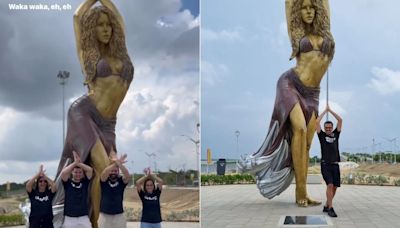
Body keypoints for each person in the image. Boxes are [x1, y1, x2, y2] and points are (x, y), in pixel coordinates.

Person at [238, 0, 334, 207]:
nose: (308, 11)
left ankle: (303, 191)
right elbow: (289, 3)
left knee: (305, 145)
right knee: (298, 129)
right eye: (304, 8)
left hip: (313, 95)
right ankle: (300, 193)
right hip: (290, 84)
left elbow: (325, 4)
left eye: (312, 7)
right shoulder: (297, 35)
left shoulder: (327, 35)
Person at [54, 0, 134, 226]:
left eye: (108, 24)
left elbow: (120, 20)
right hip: (83, 113)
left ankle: (94, 219)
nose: (106, 28)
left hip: (109, 123)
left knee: (111, 172)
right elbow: (77, 17)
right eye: (99, 25)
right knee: (103, 168)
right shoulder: (88, 54)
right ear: (93, 29)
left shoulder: (122, 51)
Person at [316, 105, 342, 217]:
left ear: (332, 128)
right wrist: (324, 111)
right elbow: (317, 122)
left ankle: (327, 205)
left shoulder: (336, 134)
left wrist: (330, 111)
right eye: (326, 128)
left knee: (335, 187)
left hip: (335, 165)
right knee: (330, 185)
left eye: (329, 128)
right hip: (325, 165)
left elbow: (340, 120)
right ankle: (330, 208)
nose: (327, 129)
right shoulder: (321, 135)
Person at [60, 151, 93, 227]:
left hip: (83, 217)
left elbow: (90, 170)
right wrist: (75, 163)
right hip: (69, 218)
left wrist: (79, 164)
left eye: (80, 172)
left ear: (82, 173)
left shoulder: (85, 182)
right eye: (76, 172)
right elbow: (63, 173)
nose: (78, 174)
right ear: (72, 173)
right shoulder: (67, 183)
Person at [98, 153, 130, 228]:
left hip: (119, 216)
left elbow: (127, 175)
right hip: (104, 216)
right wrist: (116, 163)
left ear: (118, 172)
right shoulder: (104, 181)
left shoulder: (121, 181)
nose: (113, 173)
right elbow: (104, 172)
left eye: (115, 171)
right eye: (112, 171)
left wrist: (119, 164)